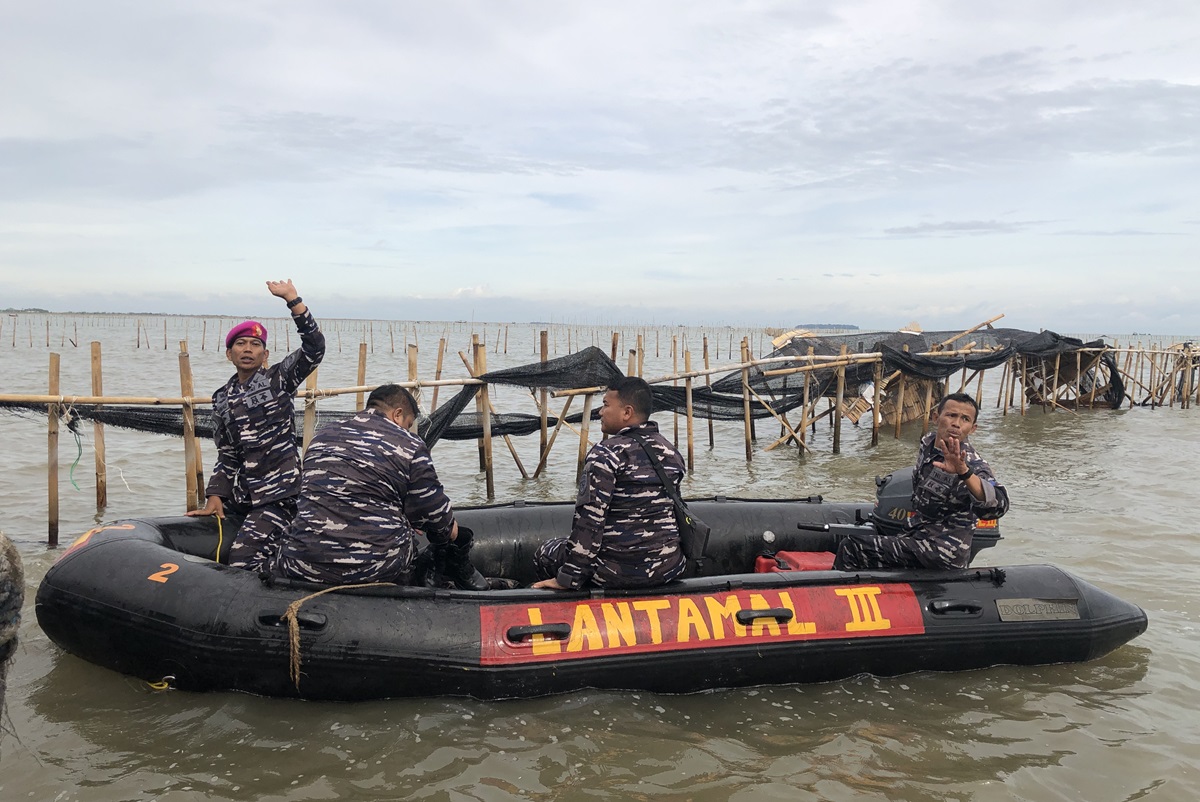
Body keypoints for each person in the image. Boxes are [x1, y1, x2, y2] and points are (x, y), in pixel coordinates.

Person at [271, 384, 487, 589]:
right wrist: (445, 530)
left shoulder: (322, 436)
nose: (409, 430)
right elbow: (436, 514)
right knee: (446, 533)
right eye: (408, 424)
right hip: (373, 568)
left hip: (299, 562)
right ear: (398, 414)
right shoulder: (410, 445)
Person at [186, 280, 325, 572]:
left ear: (265, 354)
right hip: (243, 496)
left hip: (280, 495)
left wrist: (293, 301)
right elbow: (227, 453)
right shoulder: (221, 398)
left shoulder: (279, 380)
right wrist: (215, 494)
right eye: (240, 344)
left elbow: (314, 348)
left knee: (243, 560)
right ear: (229, 354)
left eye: (255, 344)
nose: (247, 349)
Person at [533, 376, 686, 590]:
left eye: (606, 405)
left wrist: (567, 579)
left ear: (627, 412)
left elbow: (590, 521)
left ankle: (562, 600)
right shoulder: (671, 452)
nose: (600, 412)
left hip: (616, 572)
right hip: (668, 568)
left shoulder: (605, 454)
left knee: (545, 553)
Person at [833, 391, 1009, 571]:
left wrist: (963, 471)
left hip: (942, 551)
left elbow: (998, 504)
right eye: (951, 415)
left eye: (965, 419)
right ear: (935, 417)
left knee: (852, 547)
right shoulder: (928, 442)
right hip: (915, 536)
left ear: (972, 428)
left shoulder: (971, 462)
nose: (956, 423)